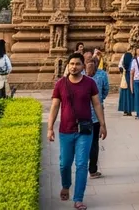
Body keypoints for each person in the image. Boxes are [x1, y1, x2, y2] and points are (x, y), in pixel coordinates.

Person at [48, 52, 107, 210]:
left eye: (77, 64)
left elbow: (96, 104)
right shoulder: (61, 84)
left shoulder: (89, 83)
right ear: (68, 65)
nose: (74, 67)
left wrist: (102, 124)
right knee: (64, 164)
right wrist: (49, 128)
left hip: (85, 130)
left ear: (83, 66)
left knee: (81, 164)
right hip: (66, 130)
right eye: (72, 64)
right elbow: (55, 106)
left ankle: (78, 198)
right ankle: (66, 185)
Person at [85, 58, 109, 179]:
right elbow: (106, 91)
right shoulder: (102, 74)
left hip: (83, 115)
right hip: (95, 115)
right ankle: (92, 170)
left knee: (84, 142)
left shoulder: (81, 75)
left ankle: (84, 168)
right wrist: (100, 99)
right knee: (94, 143)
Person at [118, 48, 134, 116]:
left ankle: (125, 110)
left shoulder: (124, 56)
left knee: (124, 94)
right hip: (130, 76)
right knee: (130, 94)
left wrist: (123, 70)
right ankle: (129, 110)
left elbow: (120, 66)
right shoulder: (132, 58)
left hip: (125, 77)